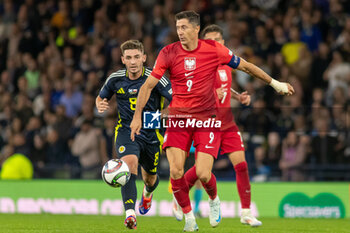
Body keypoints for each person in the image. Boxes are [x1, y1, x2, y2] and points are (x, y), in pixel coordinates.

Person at [130, 11, 294, 232]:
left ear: (196, 29)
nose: (180, 32)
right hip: (178, 119)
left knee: (204, 173)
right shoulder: (168, 52)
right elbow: (148, 86)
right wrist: (138, 115)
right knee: (176, 172)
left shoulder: (214, 50)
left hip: (207, 120)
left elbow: (245, 66)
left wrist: (275, 83)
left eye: (184, 27)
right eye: (178, 27)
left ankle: (214, 199)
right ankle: (189, 219)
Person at [173, 24, 262, 227]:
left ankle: (246, 212)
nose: (215, 43)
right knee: (201, 172)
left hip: (228, 123)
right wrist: (213, 96)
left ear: (223, 42)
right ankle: (179, 196)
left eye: (218, 40)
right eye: (211, 40)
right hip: (206, 124)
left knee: (242, 165)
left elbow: (225, 88)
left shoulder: (227, 65)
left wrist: (239, 97)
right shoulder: (199, 66)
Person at [96, 40, 172, 229]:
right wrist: (100, 103)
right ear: (122, 59)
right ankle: (130, 214)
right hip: (126, 130)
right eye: (128, 57)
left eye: (137, 57)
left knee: (150, 179)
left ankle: (147, 193)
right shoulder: (115, 79)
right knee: (129, 165)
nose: (133, 61)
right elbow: (101, 97)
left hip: (152, 133)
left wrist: (156, 117)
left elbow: (177, 101)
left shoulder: (156, 78)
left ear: (144, 58)